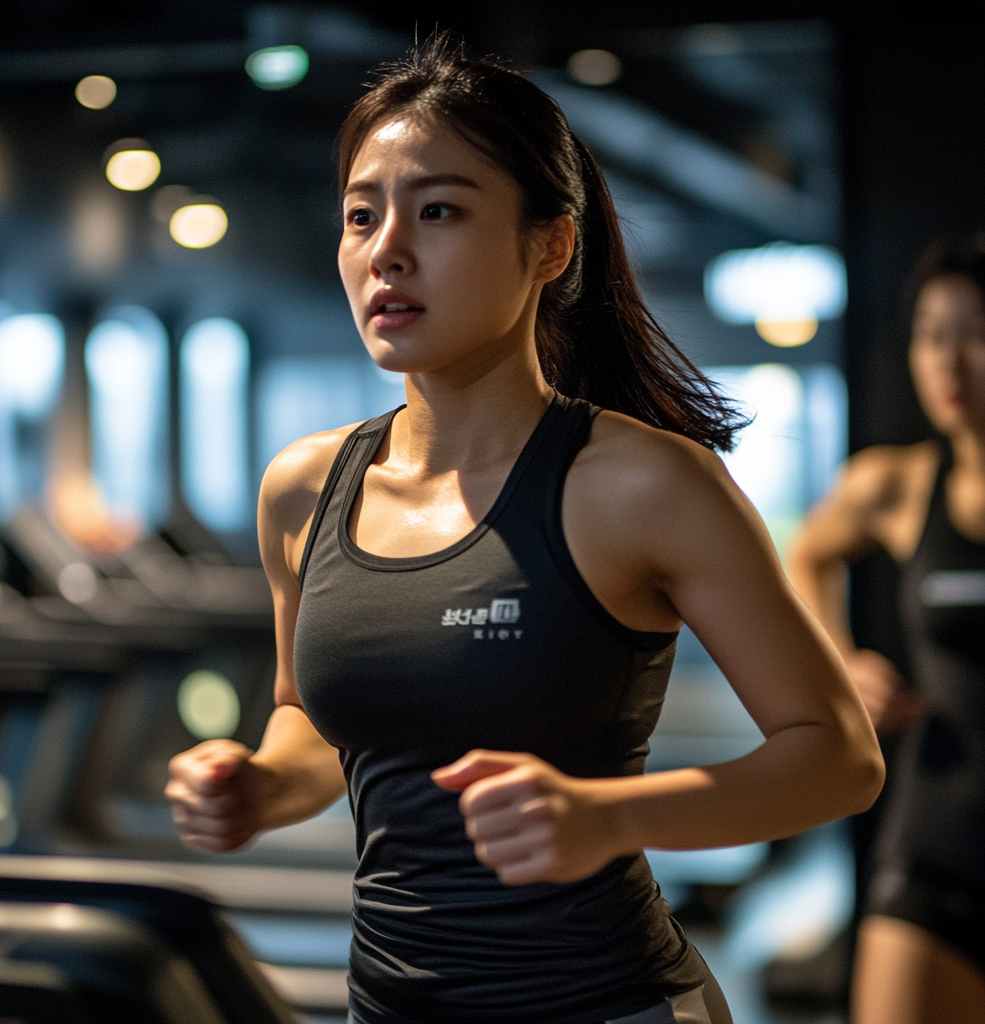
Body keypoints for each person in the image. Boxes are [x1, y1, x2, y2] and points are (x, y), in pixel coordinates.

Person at [165, 40, 883, 1024]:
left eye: (440, 211)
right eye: (361, 216)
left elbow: (836, 756)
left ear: (549, 245)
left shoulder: (639, 484)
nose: (388, 252)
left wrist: (607, 817)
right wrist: (254, 785)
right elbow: (312, 727)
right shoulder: (303, 487)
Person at [789, 236, 985, 1024]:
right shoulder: (898, 485)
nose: (950, 360)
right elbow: (804, 557)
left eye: (975, 331)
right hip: (935, 844)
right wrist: (838, 663)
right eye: (932, 334)